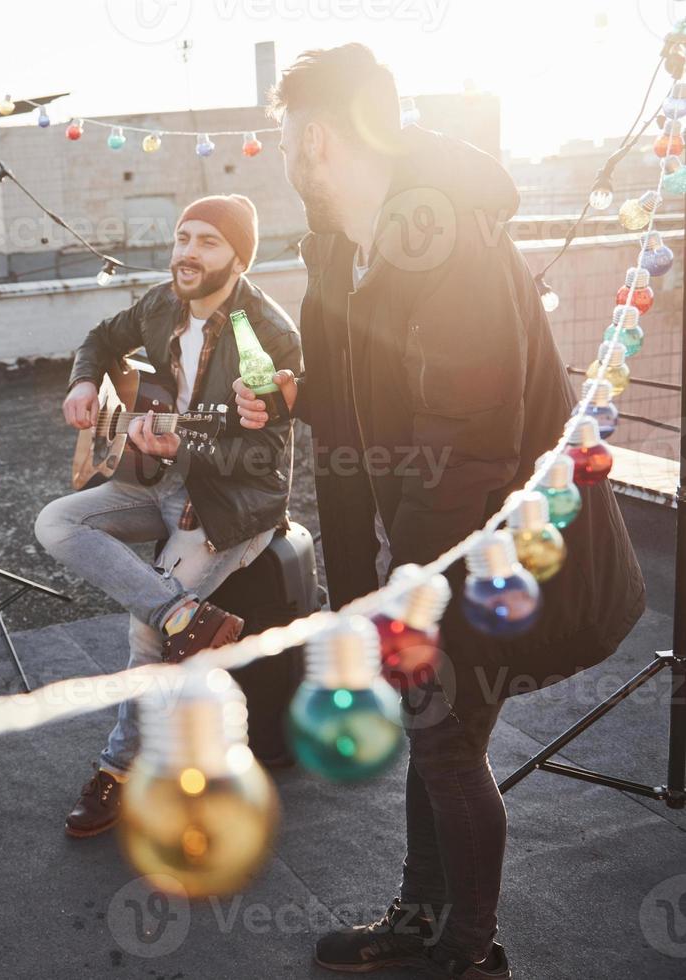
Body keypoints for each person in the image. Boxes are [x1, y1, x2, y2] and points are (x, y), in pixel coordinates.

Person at [235, 44, 645, 979]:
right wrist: (298, 397)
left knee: (447, 744)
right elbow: (362, 399)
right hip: (428, 546)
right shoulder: (352, 245)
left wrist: (409, 578)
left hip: (479, 545)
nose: (289, 159)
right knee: (436, 736)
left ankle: (467, 952)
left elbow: (470, 442)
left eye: (289, 139)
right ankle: (423, 920)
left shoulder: (445, 238)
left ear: (320, 137)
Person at [34, 195, 302, 838]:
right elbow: (101, 339)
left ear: (239, 256)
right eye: (183, 236)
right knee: (56, 523)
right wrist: (82, 381)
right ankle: (186, 613)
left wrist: (187, 444)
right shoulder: (161, 303)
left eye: (208, 241)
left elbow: (265, 454)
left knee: (146, 638)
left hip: (231, 503)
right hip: (151, 480)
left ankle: (118, 770)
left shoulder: (268, 333)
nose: (188, 251)